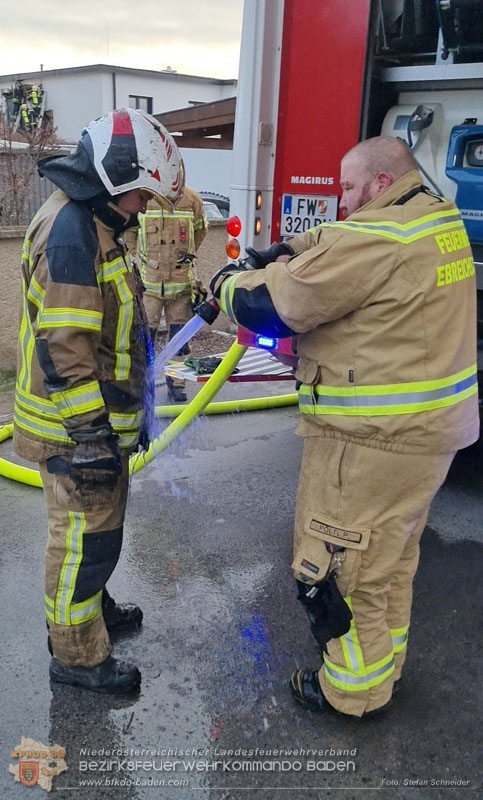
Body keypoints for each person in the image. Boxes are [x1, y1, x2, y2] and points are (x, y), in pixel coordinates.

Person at [210, 135, 479, 718]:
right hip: (428, 436)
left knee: (340, 570)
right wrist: (286, 247)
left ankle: (353, 691)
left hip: (370, 441)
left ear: (381, 183)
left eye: (350, 187)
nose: (344, 200)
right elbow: (339, 237)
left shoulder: (380, 238)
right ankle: (383, 670)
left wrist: (226, 284)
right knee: (388, 565)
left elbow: (276, 306)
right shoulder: (433, 217)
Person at [13, 108, 184, 694]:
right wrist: (91, 437)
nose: (143, 208)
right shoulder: (72, 233)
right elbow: (66, 349)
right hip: (74, 433)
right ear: (113, 179)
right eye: (141, 195)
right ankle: (77, 657)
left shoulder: (95, 222)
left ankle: (95, 612)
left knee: (99, 535)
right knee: (82, 547)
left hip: (97, 428)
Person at [125, 186, 208, 402]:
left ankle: (177, 384)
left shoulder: (192, 199)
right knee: (145, 340)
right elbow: (130, 232)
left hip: (181, 285)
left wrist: (187, 254)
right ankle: (145, 384)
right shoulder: (145, 197)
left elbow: (201, 230)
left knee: (179, 339)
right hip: (149, 286)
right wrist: (138, 257)